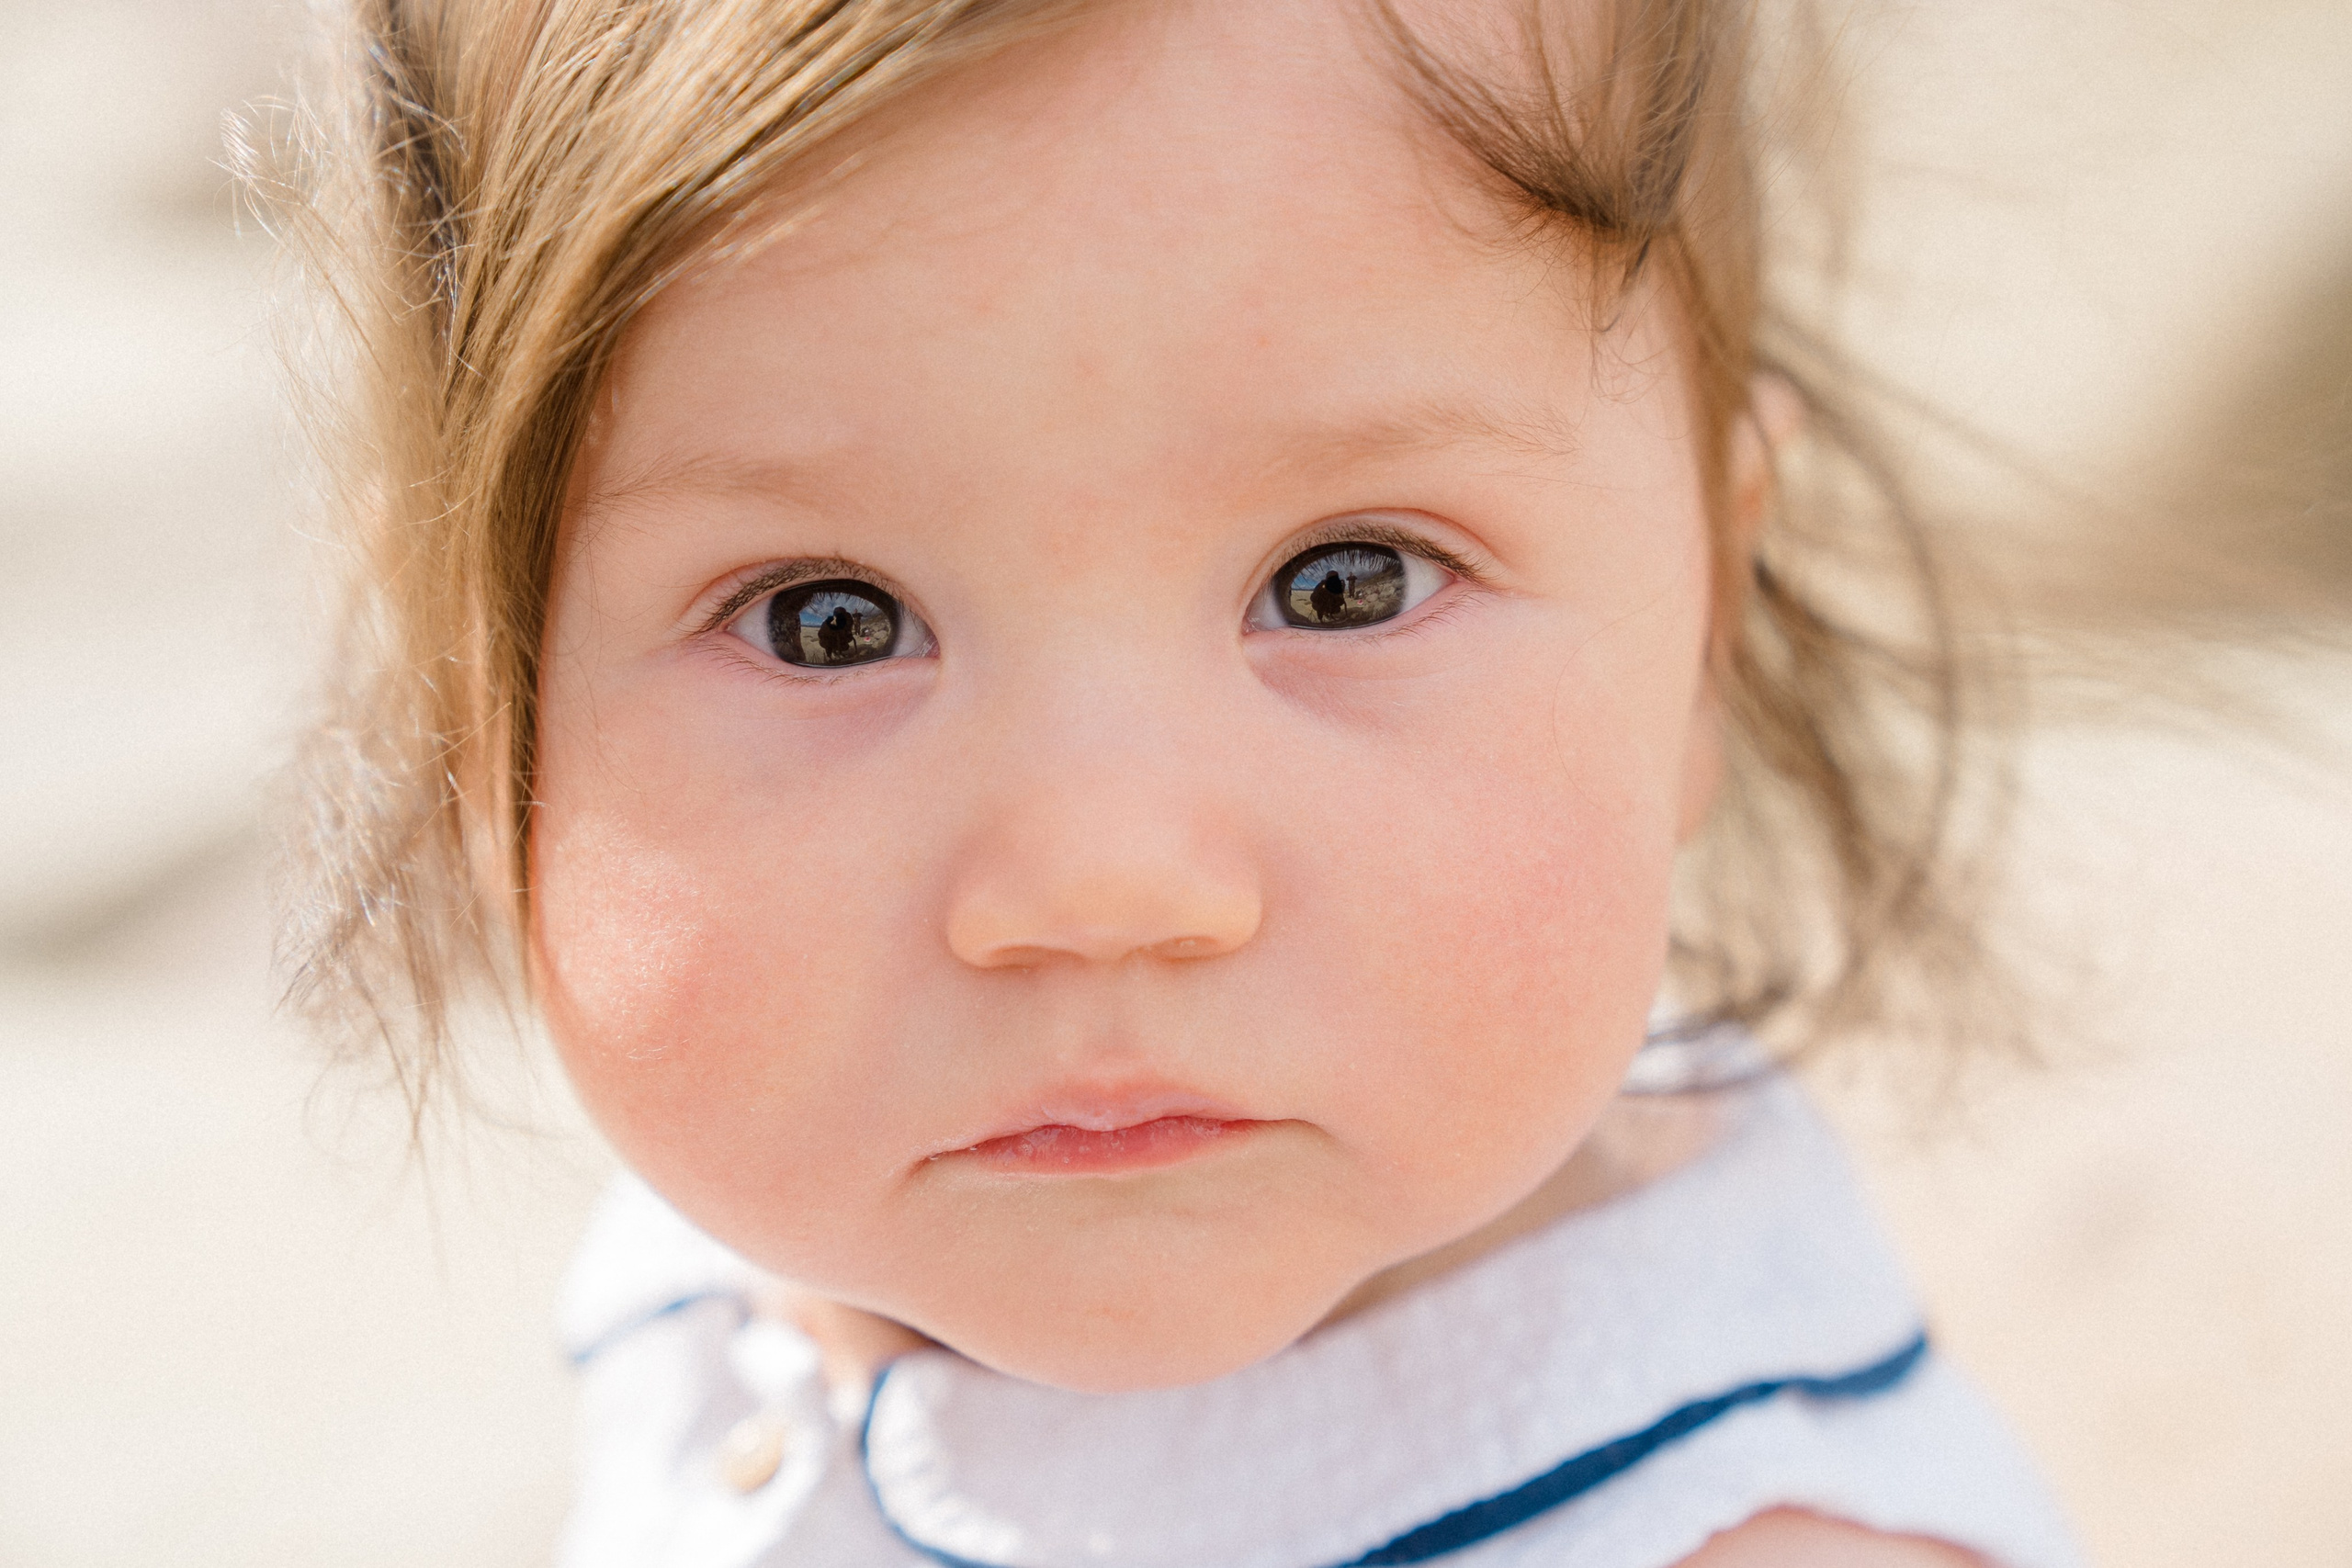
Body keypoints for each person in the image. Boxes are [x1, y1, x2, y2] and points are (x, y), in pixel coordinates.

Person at [272, 0, 2086, 1563]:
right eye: (827, 623)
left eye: (1345, 582)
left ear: (1708, 621)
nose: (1101, 878)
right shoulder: (752, 1242)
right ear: (485, 707)